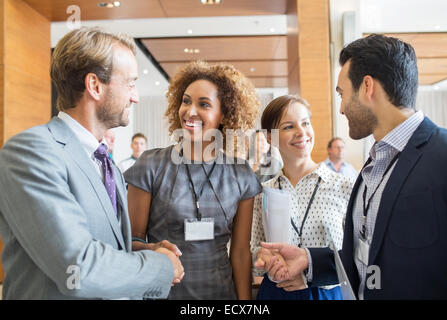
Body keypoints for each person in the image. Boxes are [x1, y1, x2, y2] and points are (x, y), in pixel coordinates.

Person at [255, 34, 447, 300]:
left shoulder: (443, 154)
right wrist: (308, 260)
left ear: (367, 87)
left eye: (342, 94)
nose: (342, 108)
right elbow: (364, 256)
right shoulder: (372, 169)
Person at [0, 27, 184, 300]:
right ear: (95, 86)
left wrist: (143, 251)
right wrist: (161, 266)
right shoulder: (31, 152)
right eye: (131, 84)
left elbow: (101, 245)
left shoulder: (105, 162)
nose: (136, 96)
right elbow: (79, 269)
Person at [124, 61, 262, 300]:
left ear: (225, 115)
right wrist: (152, 249)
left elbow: (240, 252)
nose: (190, 111)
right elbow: (130, 242)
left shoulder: (240, 175)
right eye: (186, 101)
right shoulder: (151, 165)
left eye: (204, 104)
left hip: (221, 294)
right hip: (162, 293)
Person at [251, 95, 353, 300]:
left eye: (305, 123)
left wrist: (310, 273)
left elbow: (355, 256)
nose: (301, 132)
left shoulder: (344, 187)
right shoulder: (264, 192)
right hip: (277, 292)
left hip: (327, 293)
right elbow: (256, 248)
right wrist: (264, 259)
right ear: (270, 137)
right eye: (289, 127)